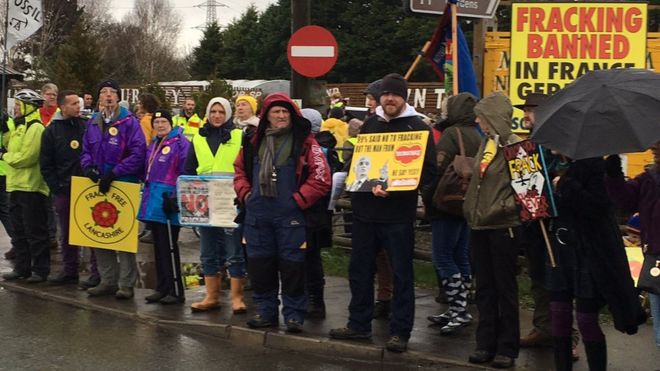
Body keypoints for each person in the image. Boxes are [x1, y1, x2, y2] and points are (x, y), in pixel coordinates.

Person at [329, 73, 437, 353]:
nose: (390, 99)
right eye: (386, 94)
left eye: (396, 95)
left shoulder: (418, 127)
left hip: (398, 215)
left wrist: (399, 187)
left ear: (404, 98)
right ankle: (358, 324)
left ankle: (400, 331)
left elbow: (428, 172)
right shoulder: (371, 124)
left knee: (402, 274)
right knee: (359, 270)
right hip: (365, 212)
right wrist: (357, 184)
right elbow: (358, 163)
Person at [234, 92, 331, 333]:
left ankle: (294, 316)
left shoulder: (306, 142)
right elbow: (238, 171)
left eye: (284, 111)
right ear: (266, 116)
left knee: (293, 269)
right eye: (275, 111)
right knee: (260, 267)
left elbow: (321, 178)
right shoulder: (252, 142)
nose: (280, 115)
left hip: (291, 216)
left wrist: (298, 200)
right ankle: (266, 312)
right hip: (257, 215)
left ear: (292, 115)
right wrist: (246, 194)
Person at [550, 156, 646, 370]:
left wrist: (564, 184)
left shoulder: (594, 164)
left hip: (589, 251)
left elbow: (599, 205)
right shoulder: (551, 163)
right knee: (558, 314)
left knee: (585, 318)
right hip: (560, 247)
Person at [463, 93, 523, 368]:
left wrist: (501, 207)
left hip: (502, 226)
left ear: (494, 119)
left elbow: (527, 193)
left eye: (482, 116)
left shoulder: (518, 148)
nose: (477, 120)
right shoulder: (486, 144)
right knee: (484, 288)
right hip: (479, 225)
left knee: (505, 289)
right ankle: (484, 343)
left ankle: (507, 347)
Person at [80, 79, 146, 299]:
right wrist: (88, 167)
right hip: (98, 184)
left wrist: (115, 172)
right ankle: (107, 280)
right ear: (99, 97)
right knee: (99, 232)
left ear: (118, 96)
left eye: (112, 92)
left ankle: (126, 283)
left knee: (123, 235)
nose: (107, 95)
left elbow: (138, 153)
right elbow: (86, 148)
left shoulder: (129, 122)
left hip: (122, 182)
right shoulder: (94, 121)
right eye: (103, 92)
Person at [423, 92, 481, 334]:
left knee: (443, 257)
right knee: (461, 256)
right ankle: (461, 307)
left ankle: (457, 310)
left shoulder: (450, 134)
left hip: (446, 203)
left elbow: (438, 169)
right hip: (467, 204)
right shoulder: (478, 137)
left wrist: (427, 196)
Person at [184, 97, 246, 313]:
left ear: (228, 114)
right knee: (208, 251)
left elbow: (245, 168)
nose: (217, 115)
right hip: (203, 200)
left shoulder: (239, 135)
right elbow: (189, 169)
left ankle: (236, 297)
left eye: (221, 112)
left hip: (230, 200)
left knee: (233, 250)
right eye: (213, 112)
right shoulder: (198, 138)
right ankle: (211, 296)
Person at [40, 90, 100, 285]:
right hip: (64, 188)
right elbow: (46, 163)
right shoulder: (51, 131)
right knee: (67, 233)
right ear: (62, 106)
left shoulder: (86, 125)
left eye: (79, 103)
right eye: (73, 104)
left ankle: (96, 273)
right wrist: (56, 186)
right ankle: (70, 271)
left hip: (87, 187)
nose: (78, 107)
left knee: (92, 230)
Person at [605, 142, 660, 349]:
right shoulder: (649, 179)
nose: (653, 148)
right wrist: (613, 170)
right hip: (656, 258)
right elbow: (625, 200)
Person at [138, 110, 189, 305]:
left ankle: (176, 290)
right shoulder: (154, 143)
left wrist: (176, 197)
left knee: (169, 247)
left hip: (168, 201)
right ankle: (162, 286)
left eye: (163, 121)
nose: (160, 125)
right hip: (154, 201)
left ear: (171, 123)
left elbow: (185, 171)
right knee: (158, 247)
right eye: (157, 122)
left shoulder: (180, 143)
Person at [1, 89, 50, 282]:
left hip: (31, 186)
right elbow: (9, 145)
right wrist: (5, 128)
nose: (17, 108)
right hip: (15, 185)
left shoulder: (36, 128)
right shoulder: (20, 126)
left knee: (35, 231)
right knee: (19, 230)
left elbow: (27, 157)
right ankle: (23, 267)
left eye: (20, 105)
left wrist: (5, 157)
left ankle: (40, 269)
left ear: (29, 106)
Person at [0, 112, 17, 260]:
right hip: (4, 169)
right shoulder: (9, 120)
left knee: (4, 209)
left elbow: (10, 146)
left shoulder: (7, 121)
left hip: (2, 170)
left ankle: (18, 241)